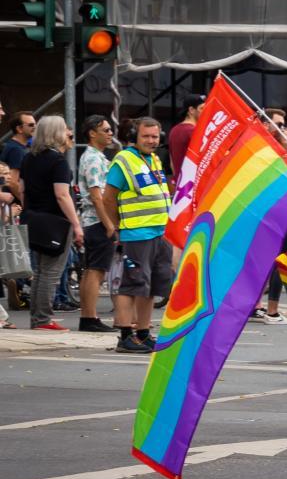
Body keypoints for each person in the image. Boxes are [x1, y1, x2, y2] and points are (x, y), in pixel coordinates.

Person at [98, 117, 173, 354]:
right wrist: (117, 227)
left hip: (159, 231)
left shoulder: (154, 159)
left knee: (150, 287)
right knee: (131, 285)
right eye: (146, 136)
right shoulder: (124, 160)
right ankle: (125, 335)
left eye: (155, 136)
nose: (152, 141)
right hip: (136, 233)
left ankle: (142, 332)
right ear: (134, 136)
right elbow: (108, 198)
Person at [20, 116, 85, 330]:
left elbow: (22, 190)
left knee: (40, 270)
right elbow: (62, 195)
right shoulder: (58, 161)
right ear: (57, 133)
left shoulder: (29, 159)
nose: (69, 133)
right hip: (55, 222)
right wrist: (76, 224)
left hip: (32, 218)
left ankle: (37, 318)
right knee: (51, 271)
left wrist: (31, 210)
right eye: (66, 129)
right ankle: (44, 318)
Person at [75, 115, 116, 332]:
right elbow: (96, 195)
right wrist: (108, 223)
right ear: (92, 133)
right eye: (106, 130)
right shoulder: (93, 159)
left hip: (94, 221)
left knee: (91, 269)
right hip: (97, 221)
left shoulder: (96, 156)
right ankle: (89, 317)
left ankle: (88, 316)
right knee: (96, 270)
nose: (110, 134)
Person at [167, 94, 203, 173]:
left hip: (180, 182)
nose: (205, 111)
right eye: (202, 108)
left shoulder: (174, 130)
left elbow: (172, 163)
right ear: (191, 110)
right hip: (194, 183)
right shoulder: (194, 131)